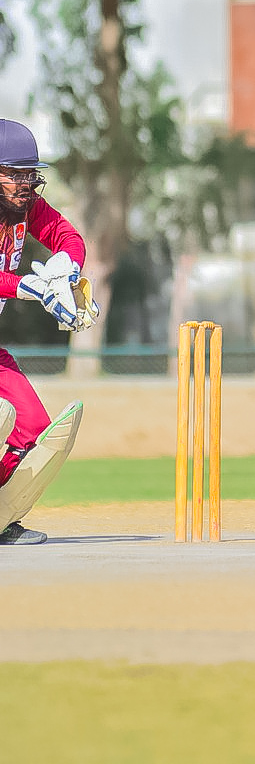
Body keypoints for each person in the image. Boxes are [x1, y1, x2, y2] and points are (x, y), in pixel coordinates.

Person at [0, 119, 98, 545]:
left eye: (29, 174)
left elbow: (66, 235)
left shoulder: (27, 209)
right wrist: (27, 285)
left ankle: (2, 516)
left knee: (32, 426)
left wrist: (66, 268)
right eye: (13, 174)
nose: (25, 184)